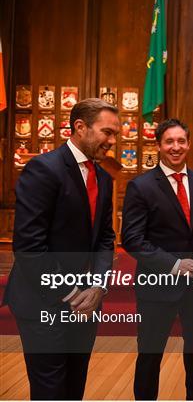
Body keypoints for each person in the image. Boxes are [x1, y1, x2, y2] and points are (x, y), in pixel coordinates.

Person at [3, 98, 120, 399]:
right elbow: (29, 246)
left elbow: (106, 238)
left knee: (74, 387)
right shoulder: (43, 169)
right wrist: (72, 293)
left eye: (115, 134)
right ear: (80, 127)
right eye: (107, 132)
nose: (112, 141)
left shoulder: (104, 179)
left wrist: (98, 286)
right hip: (44, 300)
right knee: (50, 391)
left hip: (86, 304)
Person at [121, 119, 193, 400]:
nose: (175, 147)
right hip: (157, 284)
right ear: (158, 145)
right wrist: (175, 265)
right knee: (150, 350)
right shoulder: (140, 186)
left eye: (181, 141)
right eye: (169, 142)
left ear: (189, 144)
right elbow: (131, 239)